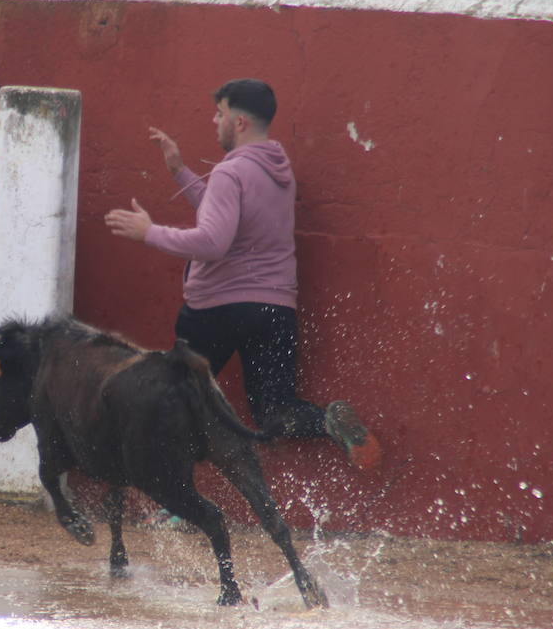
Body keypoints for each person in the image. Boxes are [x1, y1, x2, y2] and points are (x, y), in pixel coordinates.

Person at [103, 78, 381, 469]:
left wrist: (148, 232)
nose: (213, 120)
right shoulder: (278, 172)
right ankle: (327, 422)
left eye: (219, 113)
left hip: (218, 308)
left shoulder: (230, 173)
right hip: (274, 309)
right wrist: (180, 171)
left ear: (238, 122)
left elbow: (215, 241)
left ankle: (181, 503)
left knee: (178, 401)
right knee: (276, 413)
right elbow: (229, 222)